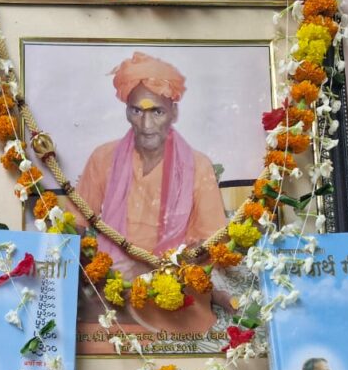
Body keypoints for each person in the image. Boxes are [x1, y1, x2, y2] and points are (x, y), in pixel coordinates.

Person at [74, 52, 231, 336]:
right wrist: (95, 265)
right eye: (137, 111)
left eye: (156, 112)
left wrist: (147, 269)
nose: (145, 126)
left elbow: (211, 243)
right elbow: (76, 224)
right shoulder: (103, 158)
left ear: (173, 112)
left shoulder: (198, 166)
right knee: (90, 315)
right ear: (127, 111)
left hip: (173, 284)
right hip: (111, 281)